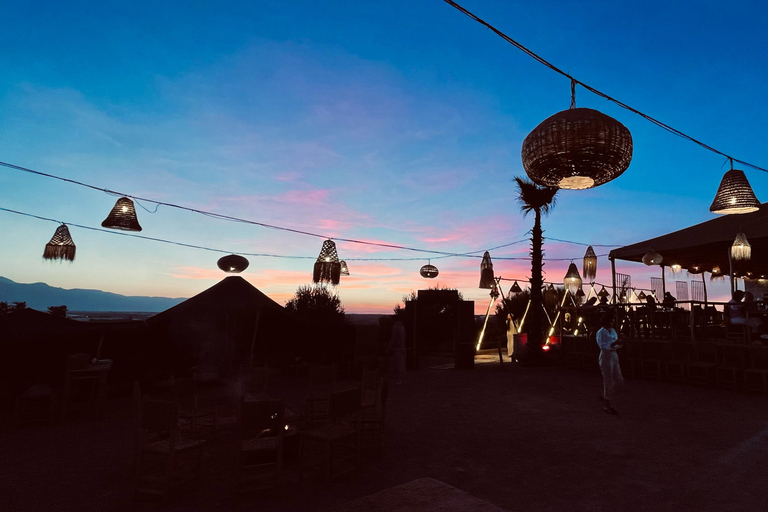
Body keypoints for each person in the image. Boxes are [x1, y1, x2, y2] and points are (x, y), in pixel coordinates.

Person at [596, 312, 623, 415]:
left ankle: (606, 395)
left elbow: (614, 344)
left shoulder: (613, 331)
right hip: (606, 356)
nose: (613, 323)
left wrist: (617, 344)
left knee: (619, 380)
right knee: (608, 380)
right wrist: (614, 344)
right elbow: (603, 346)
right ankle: (607, 404)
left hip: (613, 355)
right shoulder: (600, 332)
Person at [389, 318, 406, 384]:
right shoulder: (402, 327)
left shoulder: (395, 327)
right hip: (402, 347)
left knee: (397, 363)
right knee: (400, 363)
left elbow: (394, 338)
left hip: (397, 348)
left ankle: (398, 379)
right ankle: (400, 379)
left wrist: (390, 346)